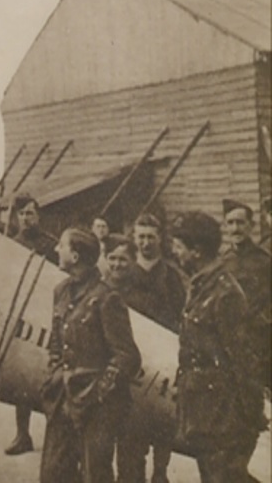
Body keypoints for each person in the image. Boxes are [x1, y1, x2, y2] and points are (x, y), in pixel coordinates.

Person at [39, 228, 141, 483]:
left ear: (74, 256)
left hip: (97, 407)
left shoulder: (107, 298)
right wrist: (55, 373)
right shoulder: (61, 291)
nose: (56, 250)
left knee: (95, 475)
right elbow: (56, 341)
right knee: (53, 473)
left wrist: (98, 394)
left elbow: (127, 356)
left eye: (61, 246)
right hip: (63, 397)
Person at [170, 211, 264, 483]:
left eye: (179, 247)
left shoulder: (225, 294)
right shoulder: (200, 286)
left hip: (224, 417)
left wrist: (248, 417)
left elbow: (243, 359)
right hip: (205, 412)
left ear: (196, 251)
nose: (176, 254)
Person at [104, 234, 171, 483]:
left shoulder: (144, 295)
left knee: (131, 451)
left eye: (123, 259)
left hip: (138, 381)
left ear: (133, 261)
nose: (117, 265)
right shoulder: (99, 289)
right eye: (112, 258)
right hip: (107, 379)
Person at [5, 193, 57, 456]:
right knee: (21, 377)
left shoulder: (52, 246)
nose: (26, 218)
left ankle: (54, 437)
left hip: (48, 316)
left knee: (51, 377)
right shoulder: (10, 245)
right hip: (21, 315)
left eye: (30, 213)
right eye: (22, 214)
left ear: (39, 216)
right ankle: (22, 434)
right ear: (16, 218)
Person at [220, 199, 271, 391]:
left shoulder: (265, 262)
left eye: (240, 223)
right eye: (230, 223)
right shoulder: (223, 262)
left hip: (261, 343)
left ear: (251, 226)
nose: (235, 228)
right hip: (230, 341)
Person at [126, 214, 187, 332]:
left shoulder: (171, 275)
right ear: (134, 238)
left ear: (159, 238)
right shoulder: (126, 272)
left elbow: (178, 312)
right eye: (141, 237)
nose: (146, 243)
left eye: (151, 237)